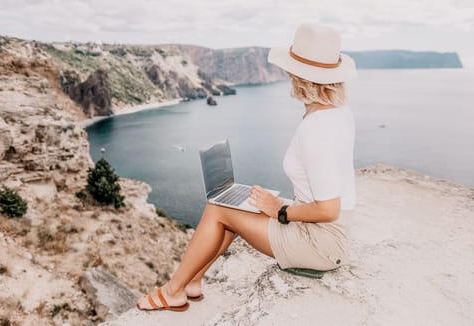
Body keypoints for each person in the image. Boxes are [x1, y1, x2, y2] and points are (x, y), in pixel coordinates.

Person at [136, 23, 357, 311]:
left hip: (320, 244)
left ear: (300, 77)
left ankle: (173, 291)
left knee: (218, 209)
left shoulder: (316, 128)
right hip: (328, 232)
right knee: (238, 206)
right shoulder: (338, 112)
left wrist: (279, 211)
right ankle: (193, 281)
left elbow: (328, 209)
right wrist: (274, 204)